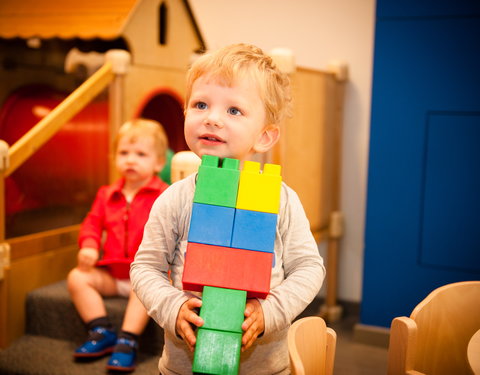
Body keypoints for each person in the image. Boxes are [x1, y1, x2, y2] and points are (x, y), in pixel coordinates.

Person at [130, 43, 325, 375]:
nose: (212, 118)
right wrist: (173, 307)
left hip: (266, 368)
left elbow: (309, 268)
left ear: (264, 136)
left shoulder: (282, 199)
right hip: (181, 367)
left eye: (234, 110)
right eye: (200, 104)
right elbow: (144, 268)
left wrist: (271, 311)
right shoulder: (174, 199)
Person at [67, 118, 169, 372]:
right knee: (77, 278)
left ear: (158, 163)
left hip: (145, 275)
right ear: (114, 157)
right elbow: (92, 223)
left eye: (141, 154)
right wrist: (89, 245)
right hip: (113, 273)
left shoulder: (165, 195)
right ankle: (101, 329)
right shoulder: (107, 194)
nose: (131, 159)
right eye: (124, 153)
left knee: (146, 287)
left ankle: (128, 339)